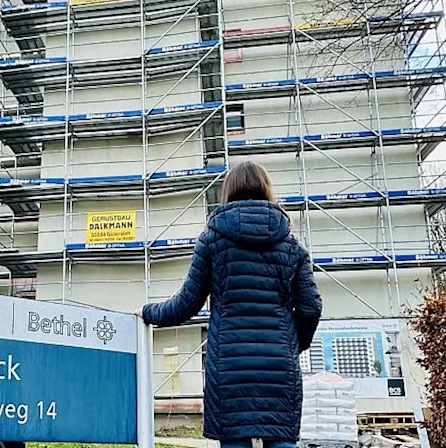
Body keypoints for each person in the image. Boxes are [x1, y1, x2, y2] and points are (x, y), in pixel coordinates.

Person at [137, 161, 322, 448]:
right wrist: (293, 344)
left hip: (229, 367)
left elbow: (186, 304)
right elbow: (311, 308)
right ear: (267, 190)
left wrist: (147, 313)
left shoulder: (212, 241)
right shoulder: (292, 246)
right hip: (279, 366)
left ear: (228, 192)